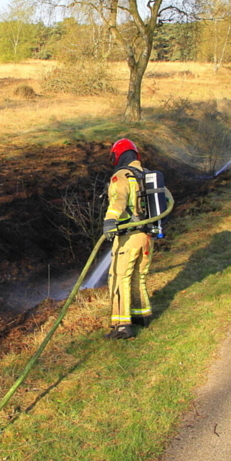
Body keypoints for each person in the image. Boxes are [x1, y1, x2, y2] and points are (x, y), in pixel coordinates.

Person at [101, 138, 153, 339]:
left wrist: (109, 221)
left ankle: (122, 326)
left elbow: (118, 201)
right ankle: (142, 316)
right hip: (148, 236)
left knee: (119, 277)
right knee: (138, 276)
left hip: (129, 237)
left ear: (117, 156)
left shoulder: (122, 175)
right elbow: (165, 200)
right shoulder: (148, 174)